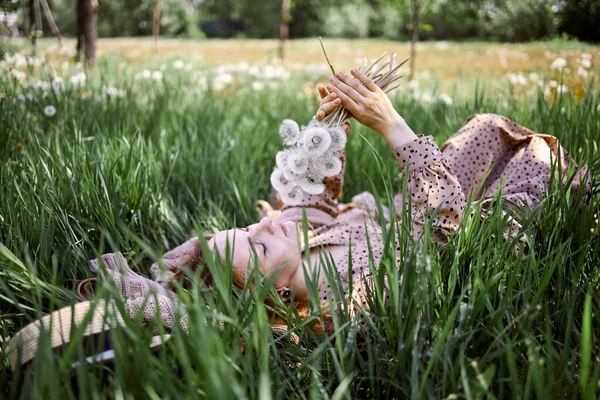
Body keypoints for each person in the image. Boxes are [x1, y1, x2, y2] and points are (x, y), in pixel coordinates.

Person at [84, 69, 590, 337]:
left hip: (427, 207)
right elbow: (445, 226)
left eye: (249, 230)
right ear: (276, 297)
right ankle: (568, 193)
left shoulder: (295, 245)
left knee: (483, 129)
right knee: (524, 165)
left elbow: (306, 192)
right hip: (467, 231)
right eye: (257, 249)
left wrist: (329, 124)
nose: (267, 226)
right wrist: (394, 129)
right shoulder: (346, 296)